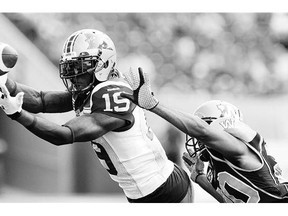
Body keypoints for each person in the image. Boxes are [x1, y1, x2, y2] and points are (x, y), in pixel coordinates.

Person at [0, 29, 193, 203]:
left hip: (166, 191)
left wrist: (18, 114)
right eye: (70, 68)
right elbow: (41, 100)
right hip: (146, 191)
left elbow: (63, 135)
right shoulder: (92, 89)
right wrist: (4, 81)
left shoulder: (115, 93)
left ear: (104, 64)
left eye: (80, 68)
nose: (74, 76)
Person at [121, 67, 288, 203]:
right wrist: (200, 178)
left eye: (204, 123)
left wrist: (153, 105)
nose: (196, 138)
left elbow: (202, 131)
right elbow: (229, 203)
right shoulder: (223, 160)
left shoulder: (239, 148)